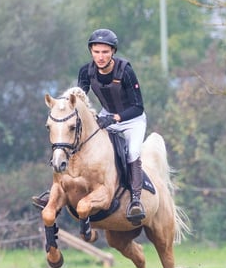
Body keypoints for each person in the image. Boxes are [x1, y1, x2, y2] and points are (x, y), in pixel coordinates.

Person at [33, 28, 148, 224]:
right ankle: (57, 190)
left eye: (105, 52)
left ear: (113, 52)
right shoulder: (86, 71)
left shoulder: (125, 71)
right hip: (105, 115)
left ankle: (135, 200)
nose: (100, 57)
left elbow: (138, 107)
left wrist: (114, 119)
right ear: (91, 52)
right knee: (74, 142)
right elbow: (79, 99)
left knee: (132, 152)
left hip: (131, 120)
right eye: (96, 52)